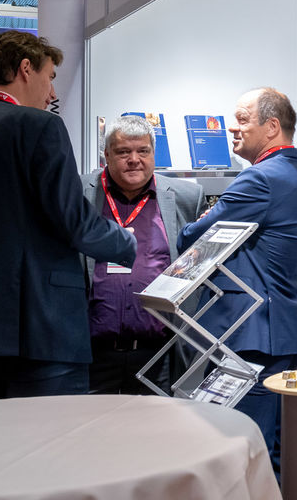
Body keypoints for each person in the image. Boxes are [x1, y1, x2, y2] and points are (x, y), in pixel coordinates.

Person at [0, 30, 136, 398]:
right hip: (42, 328)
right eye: (50, 77)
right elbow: (73, 220)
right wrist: (127, 243)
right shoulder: (39, 126)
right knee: (53, 432)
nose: (52, 93)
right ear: (26, 69)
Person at [179, 87, 297, 472]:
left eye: (242, 119)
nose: (233, 128)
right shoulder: (296, 173)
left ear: (272, 127)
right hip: (278, 331)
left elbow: (194, 238)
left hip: (249, 335)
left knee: (241, 450)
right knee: (271, 451)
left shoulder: (259, 179)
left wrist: (197, 223)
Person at [81, 114, 206, 394]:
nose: (134, 159)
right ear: (106, 155)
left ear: (153, 154)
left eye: (143, 151)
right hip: (91, 355)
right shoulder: (78, 192)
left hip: (158, 355)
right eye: (123, 152)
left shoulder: (187, 197)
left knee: (155, 423)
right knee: (89, 423)